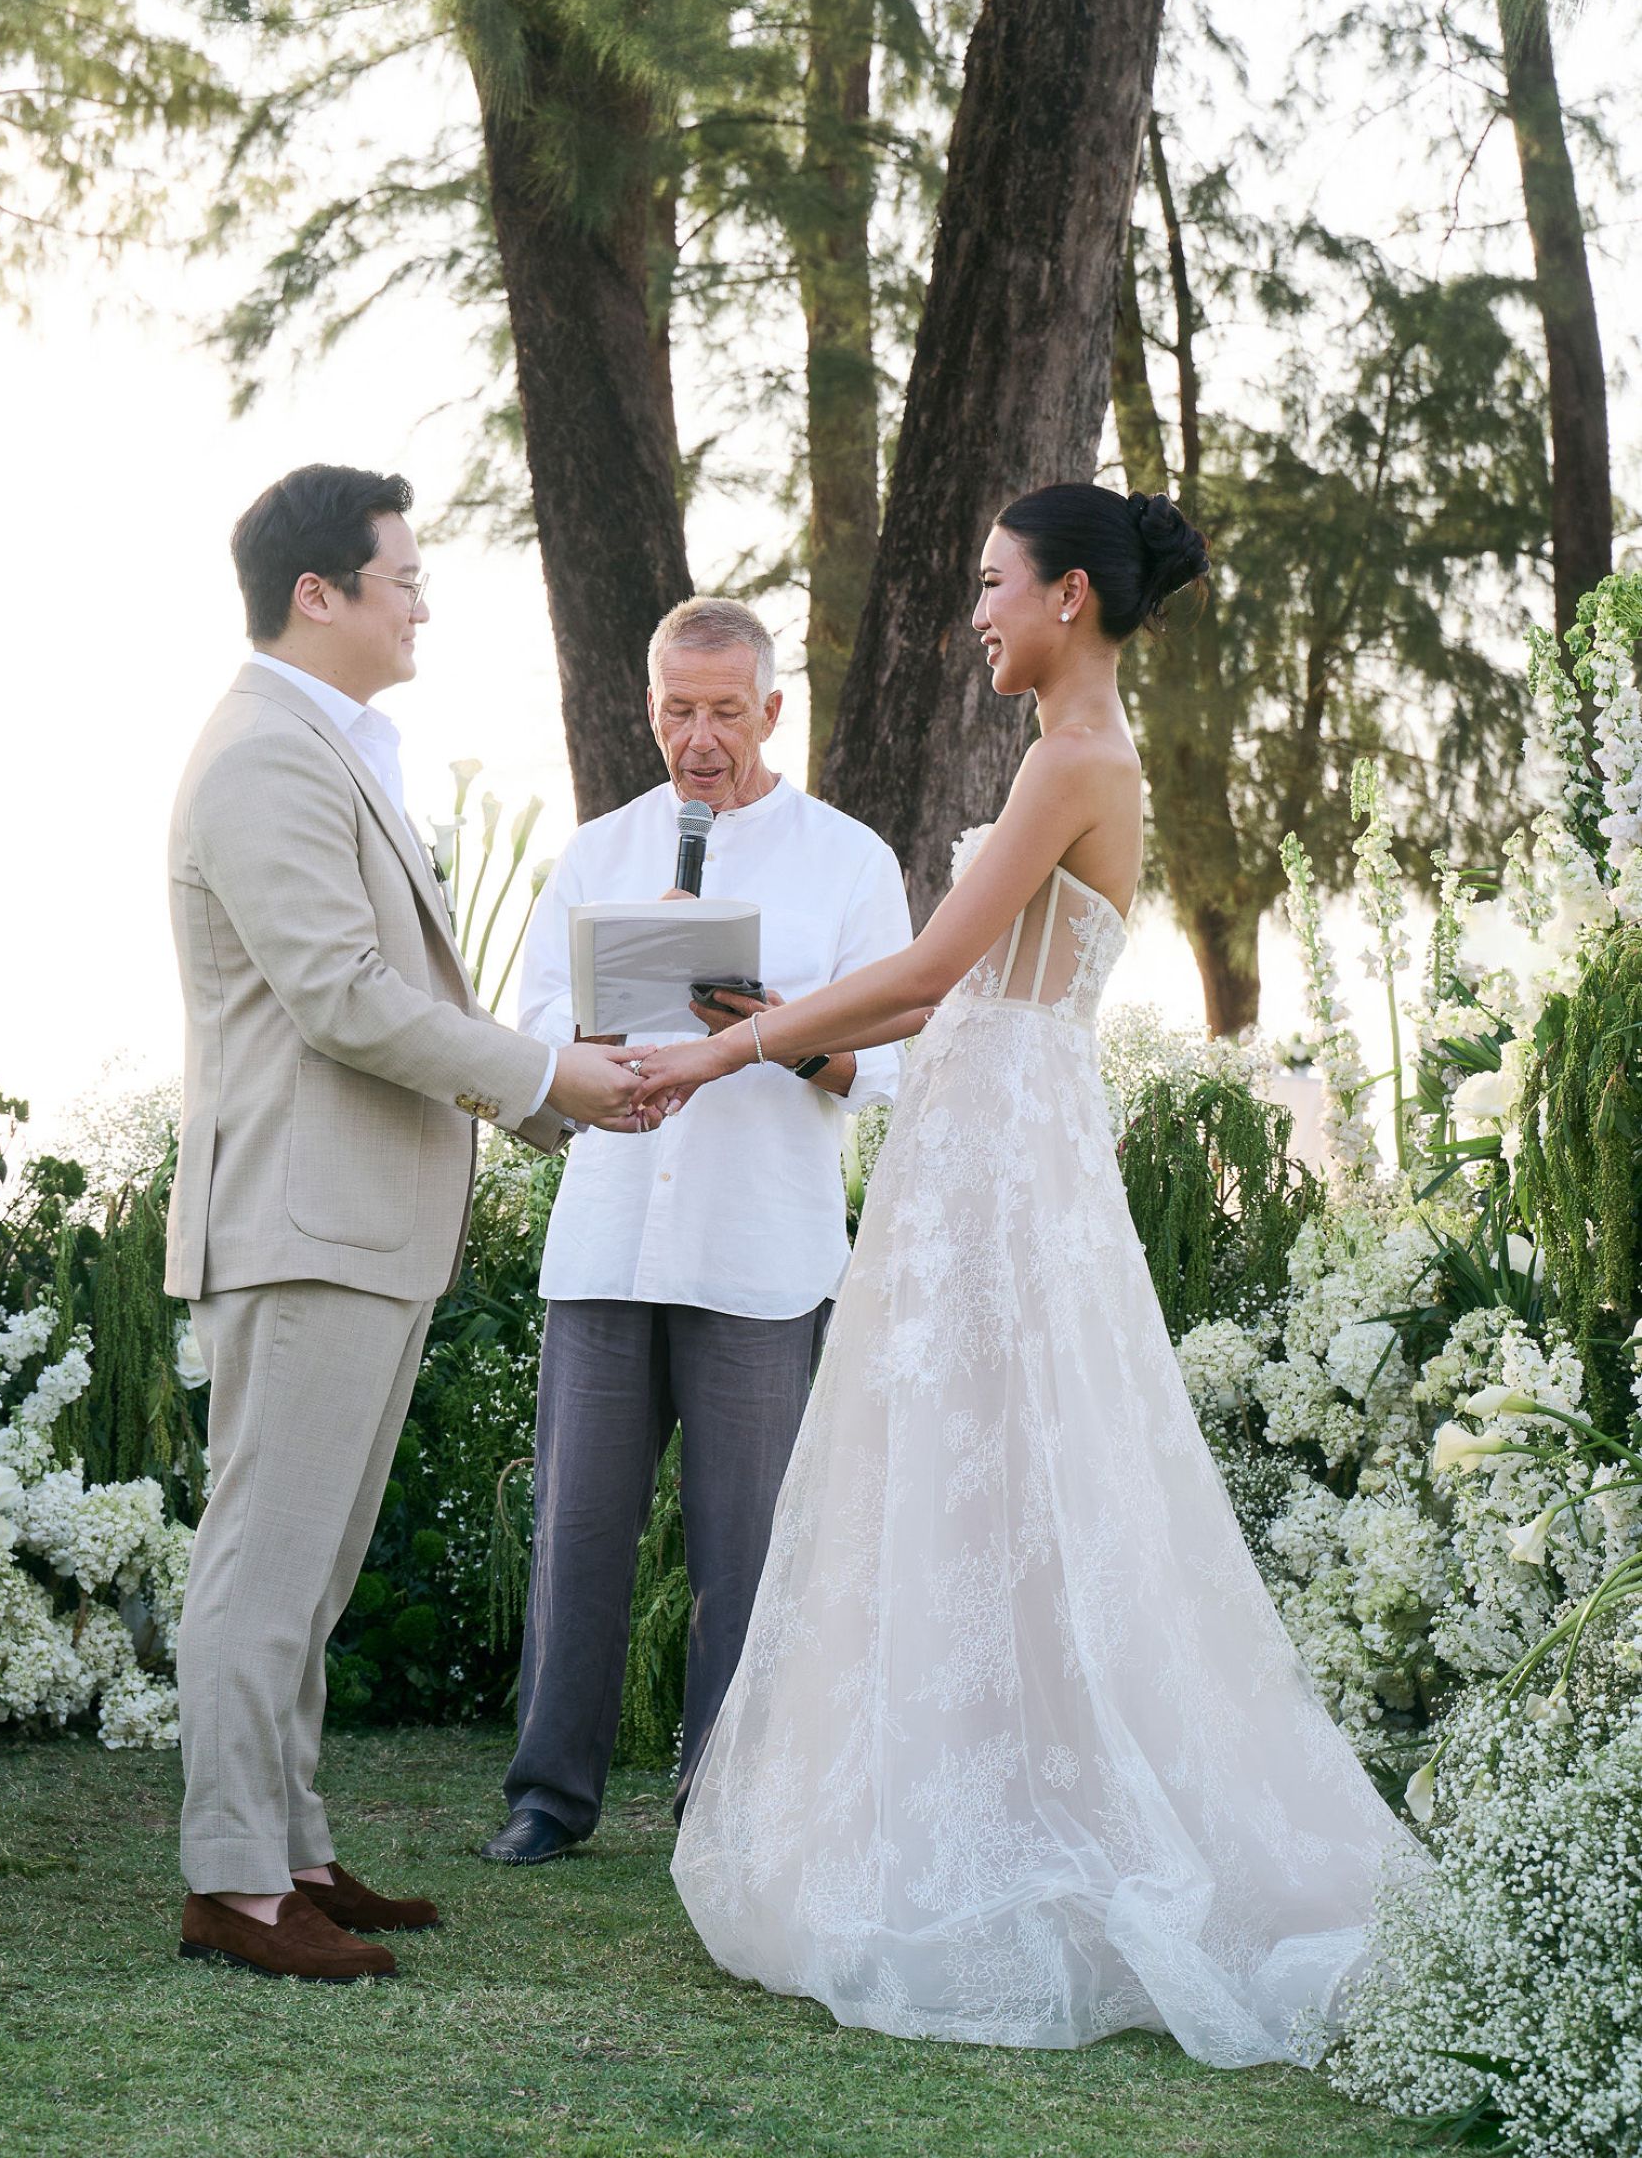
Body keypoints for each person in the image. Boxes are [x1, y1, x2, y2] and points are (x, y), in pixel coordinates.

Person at [629, 488, 1429, 2066]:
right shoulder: (1058, 754)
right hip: (985, 1140)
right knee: (972, 1474)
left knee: (1018, 1466)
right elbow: (934, 992)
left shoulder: (1075, 761)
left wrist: (722, 1046)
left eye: (994, 587)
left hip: (1003, 1152)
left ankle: (1040, 1822)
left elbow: (930, 977)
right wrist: (780, 1017)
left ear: (1069, 594)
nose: (976, 614)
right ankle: (967, 1792)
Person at [165, 463, 648, 1985]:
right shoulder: (264, 757)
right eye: (404, 576)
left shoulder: (325, 748)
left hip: (356, 1222)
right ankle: (234, 1887)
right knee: (263, 1563)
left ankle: (291, 1849)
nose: (424, 598)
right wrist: (542, 1076)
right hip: (302, 1221)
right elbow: (343, 996)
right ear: (322, 594)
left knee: (309, 1568)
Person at [478, 597, 913, 1866]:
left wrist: (774, 1028)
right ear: (649, 707)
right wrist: (608, 1025)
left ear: (773, 710)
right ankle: (549, 1799)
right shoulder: (600, 850)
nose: (701, 735)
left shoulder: (848, 860)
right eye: (680, 708)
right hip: (609, 1237)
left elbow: (889, 1070)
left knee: (749, 1545)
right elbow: (538, 1034)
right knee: (577, 1532)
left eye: (727, 709)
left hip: (762, 1251)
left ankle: (723, 1804)